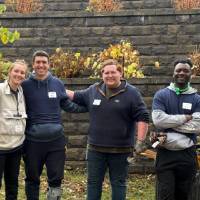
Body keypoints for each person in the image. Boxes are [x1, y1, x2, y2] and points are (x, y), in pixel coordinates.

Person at [67, 59, 149, 200]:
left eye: (113, 72)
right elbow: (75, 96)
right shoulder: (94, 89)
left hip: (121, 150)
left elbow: (143, 117)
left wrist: (140, 141)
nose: (109, 75)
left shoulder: (132, 93)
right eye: (106, 73)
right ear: (102, 74)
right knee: (93, 183)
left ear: (120, 73)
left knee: (118, 184)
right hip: (95, 149)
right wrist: (54, 87)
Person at [21, 50, 87, 200]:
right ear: (33, 64)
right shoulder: (24, 85)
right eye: (38, 62)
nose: (41, 65)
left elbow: (68, 105)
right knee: (32, 178)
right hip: (32, 142)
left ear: (49, 65)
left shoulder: (57, 83)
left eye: (44, 62)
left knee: (56, 179)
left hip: (55, 142)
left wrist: (88, 107)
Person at [152, 58, 200, 200]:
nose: (181, 73)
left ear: (191, 74)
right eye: (178, 70)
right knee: (165, 195)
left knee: (186, 194)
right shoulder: (161, 95)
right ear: (173, 73)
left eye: (186, 70)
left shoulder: (197, 98)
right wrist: (185, 118)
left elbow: (197, 126)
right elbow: (158, 120)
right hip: (165, 154)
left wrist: (169, 124)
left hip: (187, 154)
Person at [0, 60, 28, 200]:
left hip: (16, 148)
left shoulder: (23, 92)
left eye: (22, 72)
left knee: (12, 185)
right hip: (0, 147)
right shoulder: (0, 90)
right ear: (10, 72)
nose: (19, 74)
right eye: (16, 71)